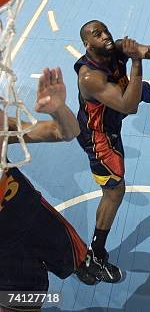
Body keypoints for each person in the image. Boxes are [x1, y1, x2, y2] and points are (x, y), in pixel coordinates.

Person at [74, 20, 150, 283]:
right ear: (88, 44)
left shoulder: (117, 47)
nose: (105, 36)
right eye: (97, 35)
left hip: (111, 123)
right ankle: (95, 255)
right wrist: (136, 63)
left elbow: (147, 50)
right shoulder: (90, 77)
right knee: (114, 192)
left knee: (140, 87)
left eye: (105, 30)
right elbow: (128, 106)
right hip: (99, 139)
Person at [0, 68, 97, 312]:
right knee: (27, 304)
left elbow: (66, 132)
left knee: (75, 258)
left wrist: (57, 109)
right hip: (4, 249)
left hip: (33, 213)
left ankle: (82, 265)